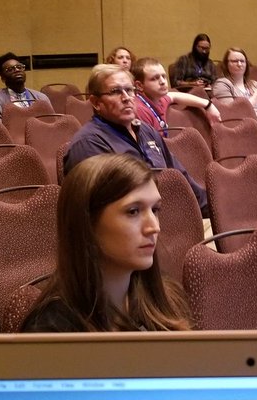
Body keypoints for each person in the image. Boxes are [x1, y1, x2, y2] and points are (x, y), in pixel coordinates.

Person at [21, 153, 189, 333]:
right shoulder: (50, 330)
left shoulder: (167, 298)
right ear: (87, 223)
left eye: (155, 209)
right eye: (133, 211)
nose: (154, 227)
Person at [66, 64, 207, 212]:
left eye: (129, 90)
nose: (126, 98)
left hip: (173, 217)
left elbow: (180, 177)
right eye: (115, 91)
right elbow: (104, 211)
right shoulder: (88, 144)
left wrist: (212, 210)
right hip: (134, 228)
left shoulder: (145, 130)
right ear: (96, 103)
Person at [132, 58, 221, 135]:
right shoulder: (139, 110)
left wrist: (208, 105)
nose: (162, 82)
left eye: (163, 76)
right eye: (154, 78)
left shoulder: (158, 98)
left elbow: (174, 96)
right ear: (139, 86)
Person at [0, 52, 52, 120]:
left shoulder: (41, 98)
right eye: (10, 69)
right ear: (3, 78)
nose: (17, 70)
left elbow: (51, 123)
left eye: (19, 67)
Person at [212, 48, 257, 127]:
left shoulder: (253, 84)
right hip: (242, 129)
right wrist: (256, 98)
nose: (239, 64)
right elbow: (230, 115)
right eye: (234, 61)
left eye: (242, 61)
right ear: (226, 64)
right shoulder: (222, 84)